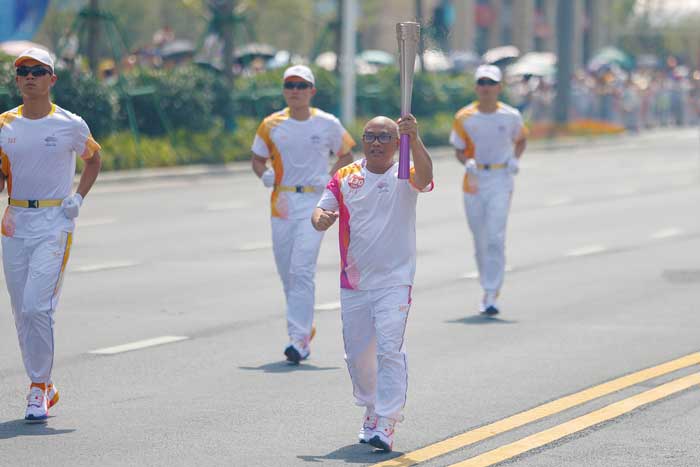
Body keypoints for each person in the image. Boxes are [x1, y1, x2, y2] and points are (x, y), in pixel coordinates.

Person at [312, 115, 433, 452]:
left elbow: (425, 178)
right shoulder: (345, 176)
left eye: (384, 137)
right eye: (370, 136)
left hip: (395, 280)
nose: (376, 142)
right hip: (355, 282)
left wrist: (416, 138)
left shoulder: (405, 171)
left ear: (397, 143)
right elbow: (320, 209)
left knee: (389, 348)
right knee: (357, 356)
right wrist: (320, 219)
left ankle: (387, 420)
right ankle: (370, 408)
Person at [0, 48, 102, 422]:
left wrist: (78, 196)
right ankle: (43, 383)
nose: (30, 77)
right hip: (14, 223)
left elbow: (93, 158)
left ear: (52, 79)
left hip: (54, 222)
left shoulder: (70, 124)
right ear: (17, 80)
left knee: (36, 306)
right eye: (23, 71)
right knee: (20, 311)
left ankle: (38, 386)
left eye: (38, 71)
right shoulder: (4, 124)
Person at [251, 65, 355, 364]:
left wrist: (331, 181)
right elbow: (258, 158)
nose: (295, 90)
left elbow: (346, 154)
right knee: (287, 271)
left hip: (315, 200)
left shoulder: (327, 123)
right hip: (282, 200)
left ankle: (299, 340)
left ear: (312, 91)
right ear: (285, 90)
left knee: (301, 269)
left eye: (301, 85)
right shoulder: (271, 124)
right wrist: (265, 175)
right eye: (290, 85)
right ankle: (304, 325)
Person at [449, 64, 527, 316]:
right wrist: (467, 161)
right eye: (481, 83)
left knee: (495, 237)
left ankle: (491, 292)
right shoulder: (464, 117)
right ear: (476, 87)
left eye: (490, 83)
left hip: (501, 177)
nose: (485, 88)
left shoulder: (510, 115)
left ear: (499, 87)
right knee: (480, 239)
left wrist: (515, 158)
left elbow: (521, 138)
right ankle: (487, 285)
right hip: (474, 180)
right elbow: (459, 148)